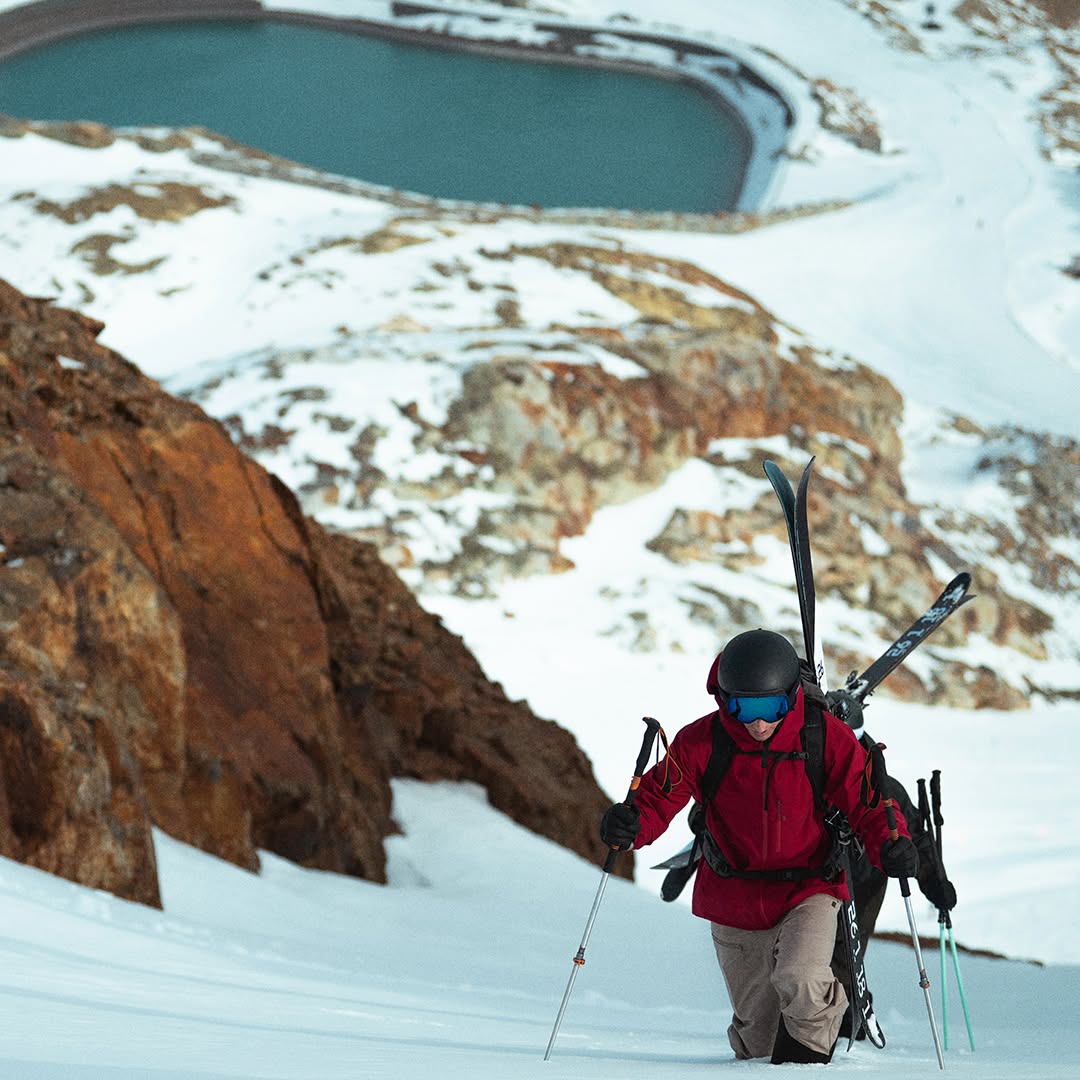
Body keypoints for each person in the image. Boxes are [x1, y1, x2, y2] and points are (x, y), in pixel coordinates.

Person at [599, 628, 919, 1065]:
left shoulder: (823, 736)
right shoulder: (702, 742)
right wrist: (631, 824)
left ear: (791, 697)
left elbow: (868, 802)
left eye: (771, 707)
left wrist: (891, 845)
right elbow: (656, 798)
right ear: (724, 700)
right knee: (758, 1039)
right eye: (744, 707)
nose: (759, 722)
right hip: (734, 897)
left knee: (801, 978)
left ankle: (814, 1061)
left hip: (809, 887)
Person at [822, 688, 957, 1040]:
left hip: (864, 880)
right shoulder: (804, 772)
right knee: (808, 956)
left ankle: (848, 1018)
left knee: (847, 952)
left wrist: (935, 882)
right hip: (814, 878)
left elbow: (915, 837)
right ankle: (825, 1020)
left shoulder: (884, 788)